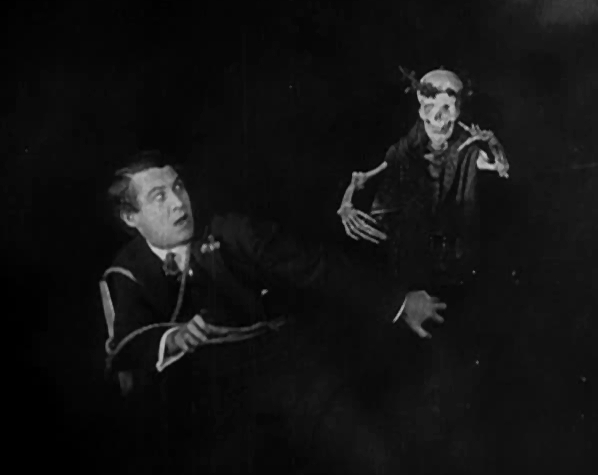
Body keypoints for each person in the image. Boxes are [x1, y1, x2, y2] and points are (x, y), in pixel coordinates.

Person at [100, 150, 447, 474]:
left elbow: (315, 267)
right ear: (131, 217)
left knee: (372, 457)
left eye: (178, 187)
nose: (178, 203)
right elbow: (125, 345)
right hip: (205, 406)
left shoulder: (231, 231)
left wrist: (398, 302)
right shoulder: (126, 271)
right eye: (159, 197)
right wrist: (174, 338)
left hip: (283, 373)